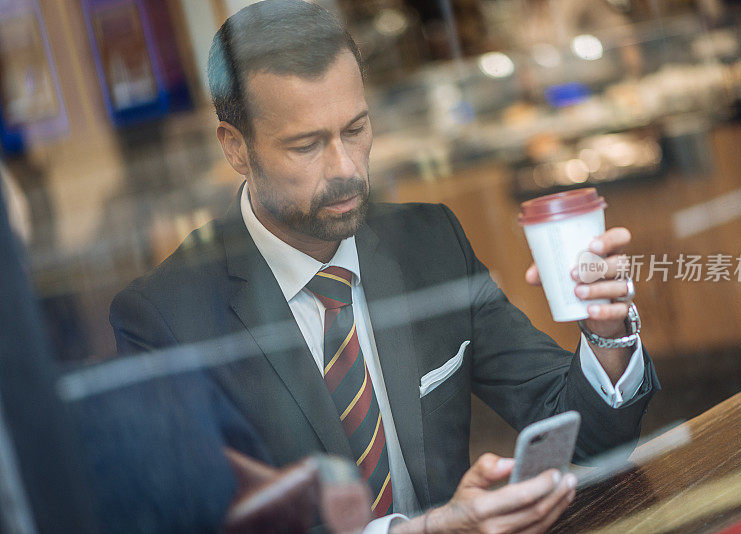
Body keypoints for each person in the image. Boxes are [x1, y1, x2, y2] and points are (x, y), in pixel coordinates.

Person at [110, 1, 659, 532]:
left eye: (355, 129)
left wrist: (608, 336)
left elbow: (588, 438)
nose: (346, 168)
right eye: (306, 145)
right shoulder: (165, 318)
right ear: (235, 148)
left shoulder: (429, 243)